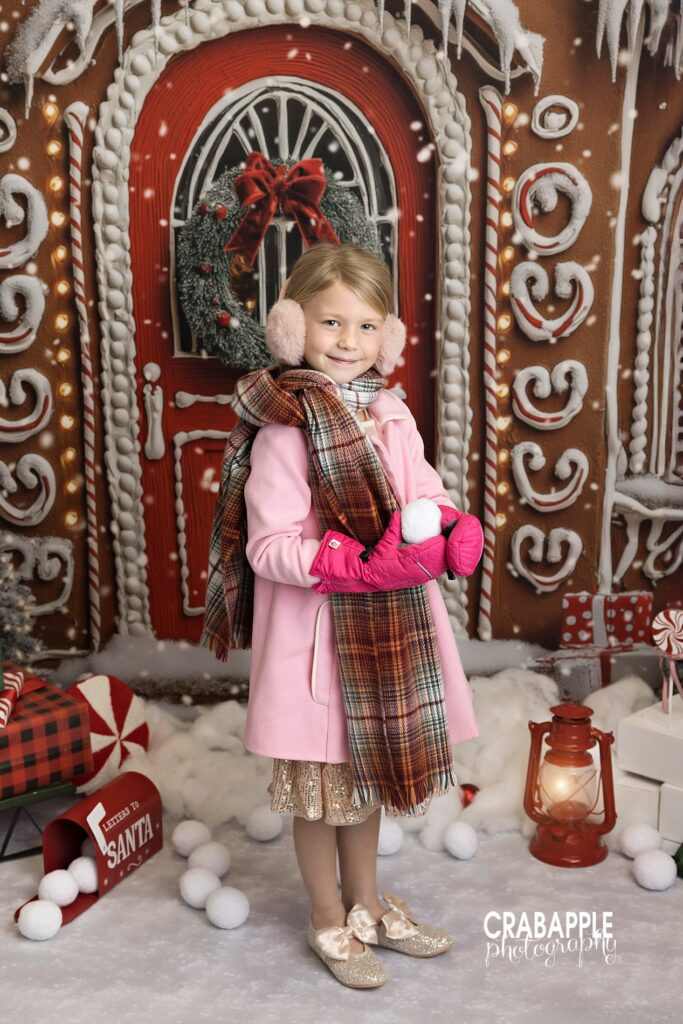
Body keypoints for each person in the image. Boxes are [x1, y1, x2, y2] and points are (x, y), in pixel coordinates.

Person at [201, 241, 481, 989]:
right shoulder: (286, 428)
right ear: (294, 327)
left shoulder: (391, 414)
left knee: (366, 788)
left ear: (386, 335)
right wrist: (345, 563)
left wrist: (451, 524)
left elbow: (426, 490)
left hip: (388, 642)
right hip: (320, 647)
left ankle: (367, 904)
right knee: (322, 795)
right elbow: (268, 546)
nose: (347, 344)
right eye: (331, 324)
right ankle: (327, 915)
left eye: (364, 327)